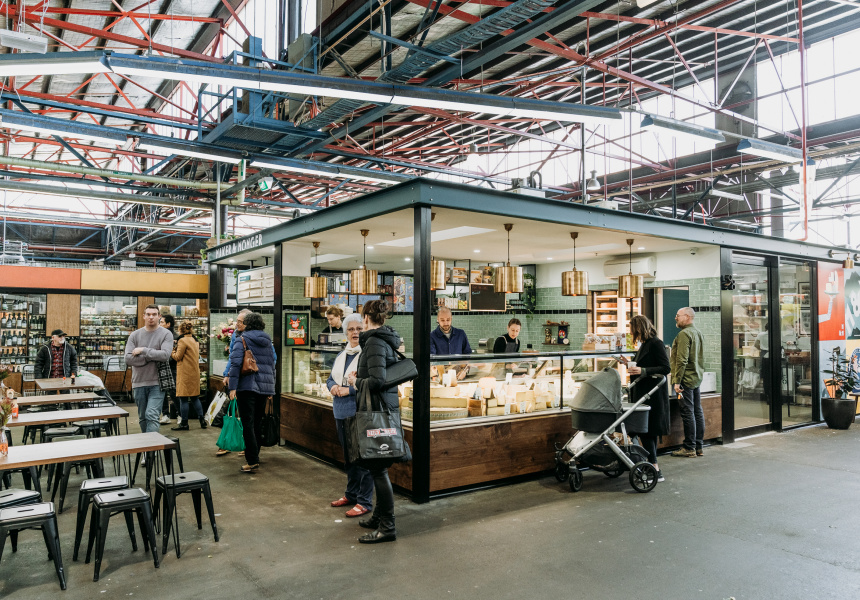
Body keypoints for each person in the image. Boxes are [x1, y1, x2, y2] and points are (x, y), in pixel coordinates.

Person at [347, 299, 401, 544]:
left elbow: (378, 380)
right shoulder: (379, 340)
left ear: (366, 318)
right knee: (379, 468)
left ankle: (387, 527)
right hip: (381, 408)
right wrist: (362, 375)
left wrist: (355, 382)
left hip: (377, 411)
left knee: (378, 470)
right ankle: (379, 517)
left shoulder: (375, 342)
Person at [326, 313, 374, 518]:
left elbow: (371, 383)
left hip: (358, 412)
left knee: (362, 459)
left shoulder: (366, 355)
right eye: (351, 329)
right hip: (340, 412)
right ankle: (351, 494)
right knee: (349, 458)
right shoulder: (342, 355)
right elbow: (330, 378)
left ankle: (364, 501)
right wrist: (333, 387)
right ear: (345, 332)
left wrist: (349, 390)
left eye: (359, 329)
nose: (355, 333)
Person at [622, 315, 670, 482]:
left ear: (638, 328)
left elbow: (665, 368)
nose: (630, 332)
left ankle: (654, 468)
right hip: (643, 393)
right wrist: (628, 364)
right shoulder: (645, 344)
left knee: (647, 430)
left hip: (652, 394)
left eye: (631, 329)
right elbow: (644, 364)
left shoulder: (656, 343)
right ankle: (652, 465)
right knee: (646, 430)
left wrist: (643, 371)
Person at [227, 312, 276, 473]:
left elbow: (235, 364)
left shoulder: (242, 339)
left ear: (247, 324)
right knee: (256, 422)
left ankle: (252, 460)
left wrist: (232, 387)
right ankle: (255, 455)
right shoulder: (267, 341)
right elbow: (272, 365)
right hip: (264, 387)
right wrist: (271, 388)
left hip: (246, 387)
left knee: (247, 423)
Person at [125, 304, 174, 434]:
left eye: (154, 314)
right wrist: (150, 357)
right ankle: (147, 443)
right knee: (142, 417)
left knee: (151, 414)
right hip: (138, 382)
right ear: (144, 316)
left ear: (159, 316)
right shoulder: (134, 335)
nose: (151, 317)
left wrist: (143, 350)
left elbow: (165, 355)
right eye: (148, 314)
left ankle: (152, 446)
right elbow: (128, 359)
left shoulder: (166, 334)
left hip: (157, 383)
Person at [670, 307, 706, 458]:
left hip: (685, 380)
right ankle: (699, 447)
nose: (676, 318)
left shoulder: (684, 334)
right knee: (697, 411)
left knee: (688, 412)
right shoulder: (698, 332)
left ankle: (689, 447)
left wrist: (677, 381)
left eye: (678, 315)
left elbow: (682, 360)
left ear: (687, 316)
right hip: (696, 378)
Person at [171, 321, 206, 431]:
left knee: (183, 398)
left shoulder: (182, 340)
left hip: (185, 373)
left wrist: (172, 350)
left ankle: (184, 423)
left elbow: (177, 357)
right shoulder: (195, 340)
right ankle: (202, 420)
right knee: (195, 397)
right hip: (194, 372)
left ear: (180, 330)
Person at [158, 314, 178, 425]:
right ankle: (165, 415)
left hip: (172, 367)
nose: (160, 324)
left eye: (162, 322)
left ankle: (180, 414)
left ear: (168, 324)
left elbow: (175, 355)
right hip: (163, 367)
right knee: (163, 392)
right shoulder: (160, 335)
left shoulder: (175, 337)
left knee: (173, 392)